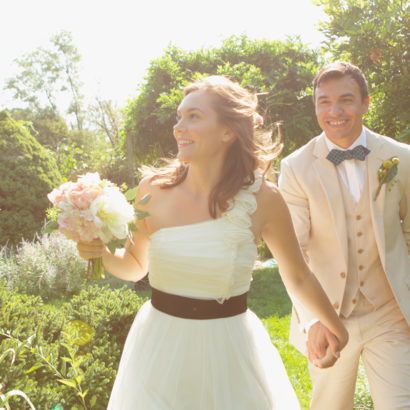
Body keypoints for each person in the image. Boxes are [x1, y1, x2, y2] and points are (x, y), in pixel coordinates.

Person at [77, 76, 348, 409]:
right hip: (159, 346)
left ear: (227, 131)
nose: (179, 126)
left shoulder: (263, 199)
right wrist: (100, 253)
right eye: (179, 117)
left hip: (229, 347)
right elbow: (135, 267)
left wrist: (336, 327)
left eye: (193, 117)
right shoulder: (152, 190)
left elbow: (298, 275)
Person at [279, 62, 410, 409]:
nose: (334, 111)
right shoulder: (295, 167)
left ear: (366, 103)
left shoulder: (401, 158)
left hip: (391, 311)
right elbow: (294, 253)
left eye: (346, 100)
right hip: (327, 313)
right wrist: (312, 321)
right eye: (324, 102)